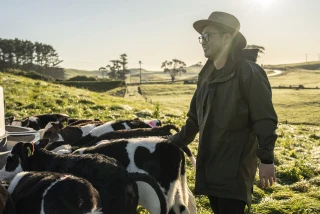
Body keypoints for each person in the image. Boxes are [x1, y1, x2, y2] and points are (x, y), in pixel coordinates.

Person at [169, 11, 278, 214]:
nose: (203, 41)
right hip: (209, 168)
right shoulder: (205, 76)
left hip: (235, 171)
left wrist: (267, 160)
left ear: (227, 37)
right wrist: (171, 143)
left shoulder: (249, 73)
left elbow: (264, 119)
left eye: (208, 35)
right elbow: (194, 119)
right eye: (201, 37)